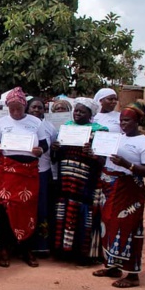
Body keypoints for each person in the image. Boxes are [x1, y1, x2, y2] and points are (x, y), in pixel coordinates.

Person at [94, 101, 145, 288]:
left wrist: (127, 164)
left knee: (127, 227)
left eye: (127, 120)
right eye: (121, 120)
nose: (123, 124)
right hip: (109, 186)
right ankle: (112, 266)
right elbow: (104, 158)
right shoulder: (116, 138)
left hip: (129, 189)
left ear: (138, 121)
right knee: (108, 224)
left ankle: (132, 274)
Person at [0, 87, 47, 268]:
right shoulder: (1, 123)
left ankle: (26, 249)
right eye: (12, 108)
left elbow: (44, 145)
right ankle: (6, 249)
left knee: (28, 210)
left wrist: (40, 150)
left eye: (19, 108)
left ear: (25, 106)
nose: (15, 112)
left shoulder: (35, 122)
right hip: (7, 172)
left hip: (28, 173)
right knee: (6, 209)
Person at [51, 98, 107, 264]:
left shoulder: (99, 132)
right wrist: (56, 149)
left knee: (84, 215)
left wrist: (92, 153)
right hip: (66, 179)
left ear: (90, 115)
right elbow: (57, 157)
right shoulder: (66, 128)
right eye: (76, 111)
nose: (77, 114)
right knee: (64, 213)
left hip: (86, 182)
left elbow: (102, 161)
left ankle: (82, 255)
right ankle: (63, 252)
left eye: (82, 112)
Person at [25, 97, 57, 257]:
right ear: (28, 109)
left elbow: (54, 151)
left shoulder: (49, 127)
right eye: (33, 107)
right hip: (24, 172)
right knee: (26, 208)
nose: (36, 110)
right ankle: (24, 245)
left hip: (43, 171)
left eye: (40, 108)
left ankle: (41, 246)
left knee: (42, 208)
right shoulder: (23, 124)